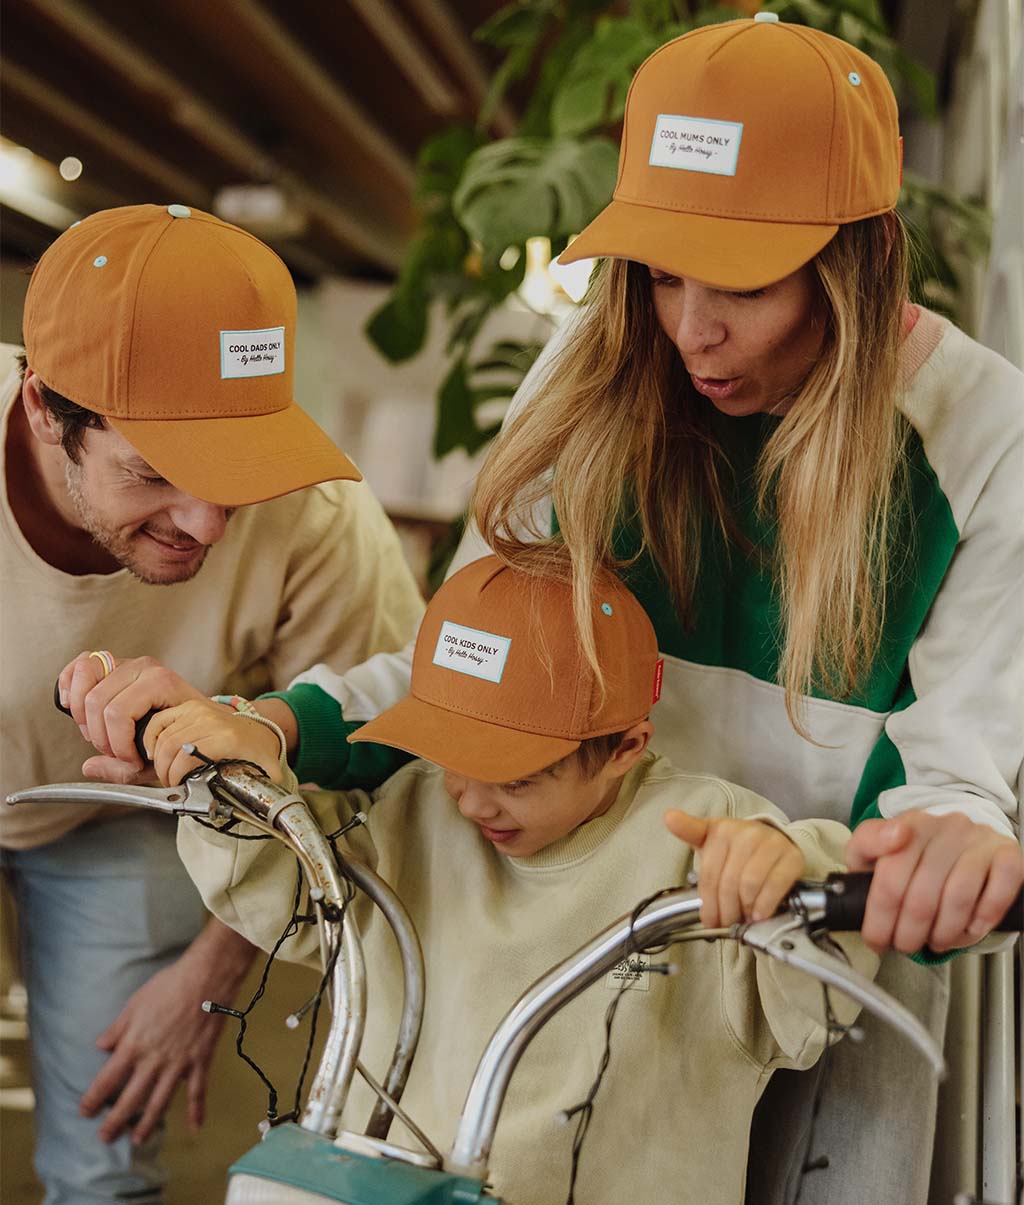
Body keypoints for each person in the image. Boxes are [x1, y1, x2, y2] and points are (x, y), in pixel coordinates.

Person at [62, 18, 1023, 1202]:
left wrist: (936, 855)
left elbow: (956, 781)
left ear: (858, 261)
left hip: (806, 954)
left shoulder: (983, 435)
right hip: (540, 937)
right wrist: (271, 728)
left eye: (743, 284)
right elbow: (467, 664)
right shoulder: (590, 373)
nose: (690, 331)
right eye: (661, 273)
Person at [136, 554, 876, 1205]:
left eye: (515, 780)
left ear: (625, 748)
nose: (471, 799)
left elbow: (813, 997)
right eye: (453, 757)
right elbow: (290, 898)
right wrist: (224, 784)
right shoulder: (418, 806)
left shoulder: (705, 837)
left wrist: (790, 872)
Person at [1, 203, 424, 1205]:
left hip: (118, 819)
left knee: (102, 1152)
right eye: (152, 474)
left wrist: (215, 966)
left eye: (234, 472)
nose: (204, 522)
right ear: (42, 412)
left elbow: (370, 750)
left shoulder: (318, 515)